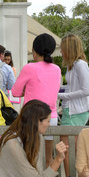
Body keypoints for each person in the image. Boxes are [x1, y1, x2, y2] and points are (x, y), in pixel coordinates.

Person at [11, 33, 61, 167]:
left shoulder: (30, 68)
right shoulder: (57, 69)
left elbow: (15, 92)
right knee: (48, 159)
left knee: (30, 157)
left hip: (31, 117)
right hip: (52, 117)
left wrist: (28, 90)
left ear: (34, 51)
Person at [58, 34, 89, 176]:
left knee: (69, 149)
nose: (61, 52)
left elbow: (86, 90)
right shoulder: (72, 66)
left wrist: (60, 95)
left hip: (76, 111)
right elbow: (73, 87)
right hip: (70, 110)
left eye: (63, 49)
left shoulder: (81, 65)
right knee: (69, 148)